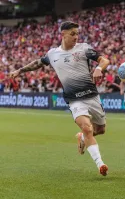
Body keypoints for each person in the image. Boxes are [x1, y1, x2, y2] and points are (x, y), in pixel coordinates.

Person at [9, 21, 110, 176]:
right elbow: (37, 63)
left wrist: (98, 68)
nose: (76, 36)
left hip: (92, 96)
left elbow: (104, 60)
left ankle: (82, 139)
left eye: (77, 33)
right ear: (63, 34)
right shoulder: (52, 54)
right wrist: (19, 71)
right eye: (72, 33)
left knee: (100, 130)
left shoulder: (84, 48)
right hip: (74, 99)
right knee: (87, 128)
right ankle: (100, 164)